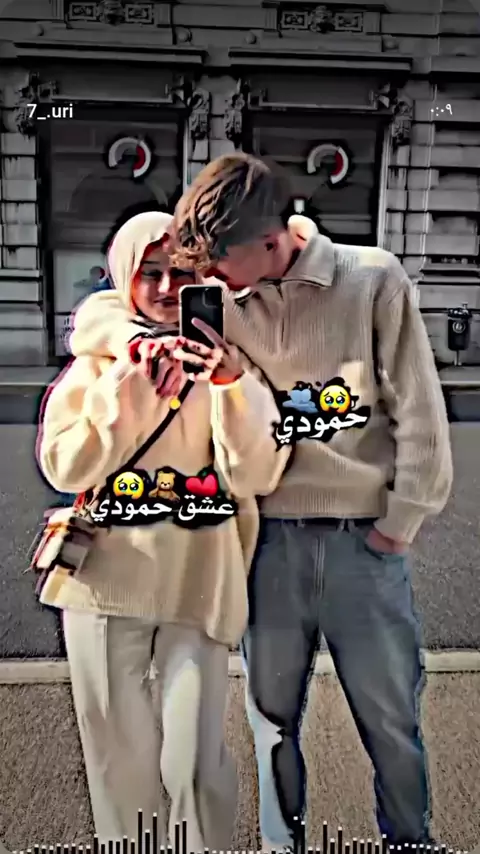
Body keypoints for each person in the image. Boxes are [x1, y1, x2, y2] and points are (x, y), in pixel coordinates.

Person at [68, 156, 453, 850]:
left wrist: (400, 524)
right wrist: (133, 340)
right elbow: (106, 310)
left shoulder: (372, 278)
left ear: (269, 240)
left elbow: (419, 411)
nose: (204, 280)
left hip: (362, 542)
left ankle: (409, 841)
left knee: (391, 718)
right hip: (268, 543)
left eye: (218, 263)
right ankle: (283, 846)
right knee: (272, 722)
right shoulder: (223, 294)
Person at [36, 210, 289, 849]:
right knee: (116, 760)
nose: (167, 286)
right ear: (123, 277)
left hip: (197, 582)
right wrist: (129, 384)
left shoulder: (228, 361)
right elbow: (66, 464)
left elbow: (257, 472)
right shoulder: (98, 364)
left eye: (181, 271)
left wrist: (230, 385)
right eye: (150, 272)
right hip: (104, 582)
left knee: (196, 764)